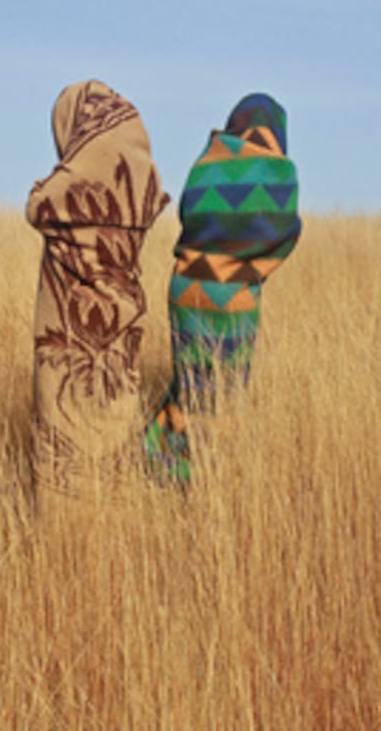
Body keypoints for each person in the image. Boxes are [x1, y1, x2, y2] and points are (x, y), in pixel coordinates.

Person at [143, 93, 301, 484]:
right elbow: (285, 232)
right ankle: (201, 483)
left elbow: (187, 214)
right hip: (233, 295)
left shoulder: (207, 161)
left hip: (185, 285)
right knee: (221, 398)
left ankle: (161, 465)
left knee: (189, 384)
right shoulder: (277, 170)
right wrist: (249, 264)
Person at [26, 81, 168, 510]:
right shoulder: (141, 180)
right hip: (123, 325)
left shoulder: (68, 188)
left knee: (65, 421)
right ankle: (109, 528)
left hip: (70, 333)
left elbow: (38, 206)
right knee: (112, 420)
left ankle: (65, 529)